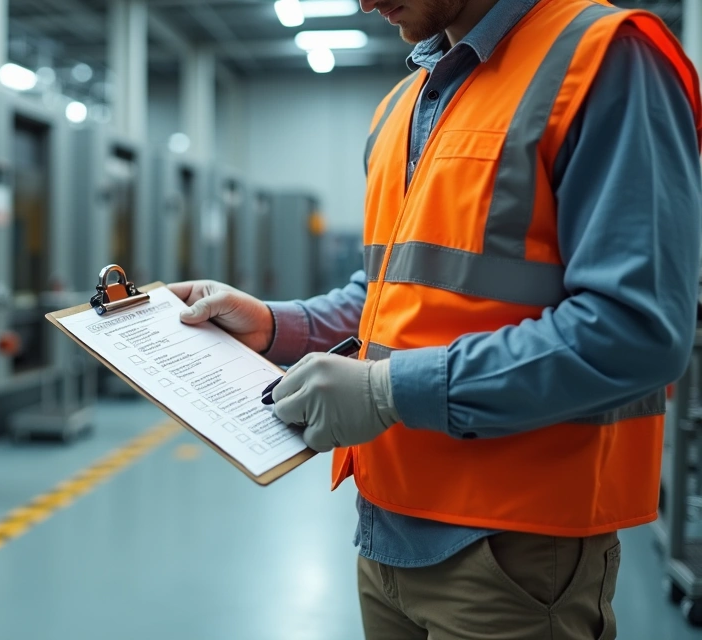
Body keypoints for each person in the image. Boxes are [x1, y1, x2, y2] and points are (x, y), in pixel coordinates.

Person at [169, 0, 702, 636]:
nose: (364, 2)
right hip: (385, 531)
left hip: (517, 550)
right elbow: (390, 293)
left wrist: (391, 390)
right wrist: (274, 326)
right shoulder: (405, 104)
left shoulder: (602, 59)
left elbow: (636, 329)